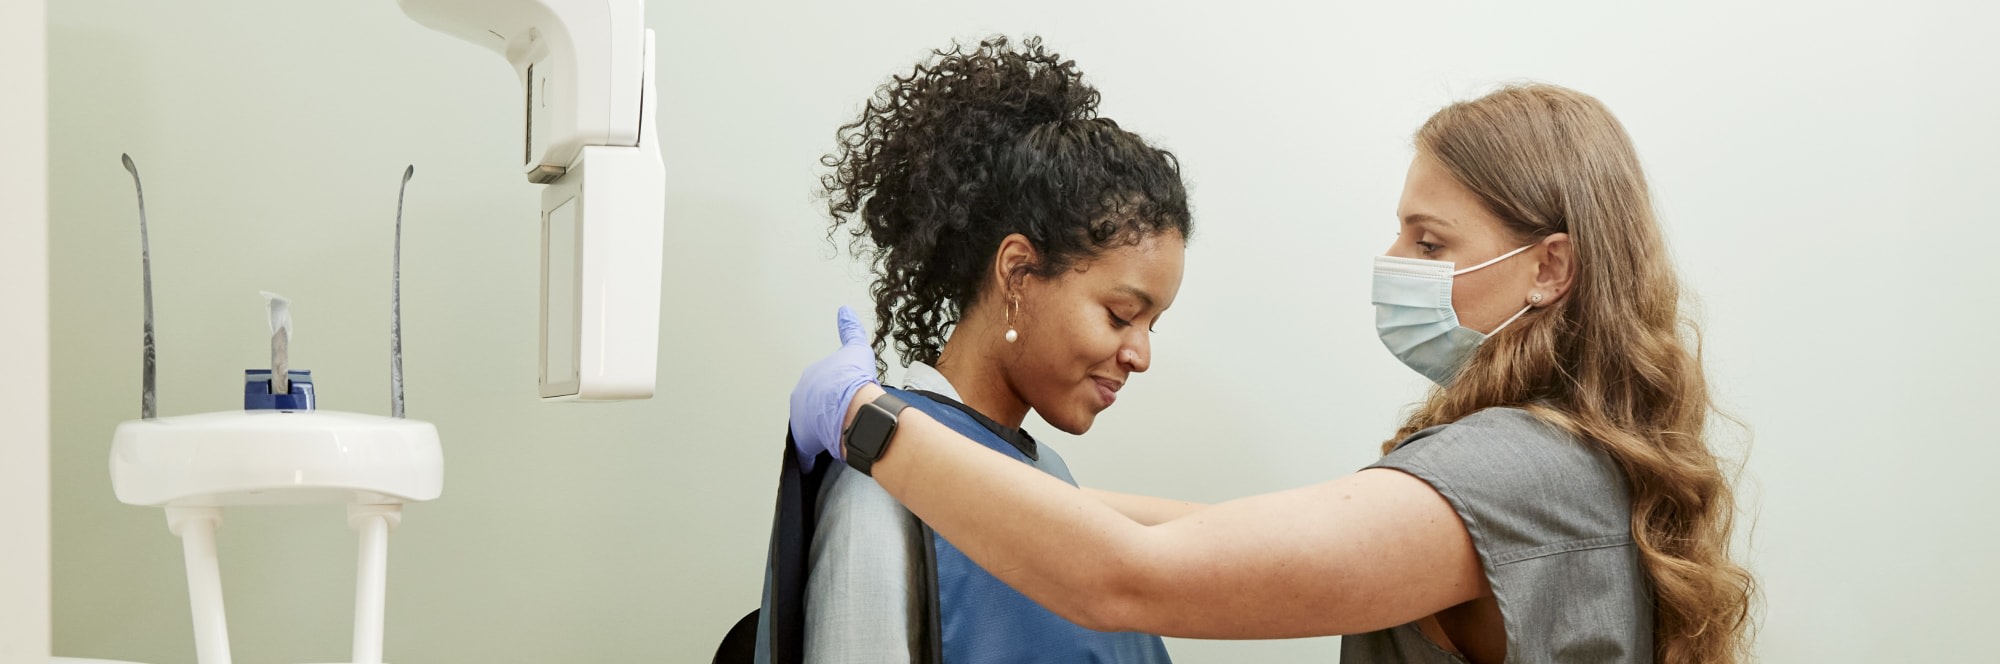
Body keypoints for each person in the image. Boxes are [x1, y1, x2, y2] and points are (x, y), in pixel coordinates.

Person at [788, 84, 1756, 663]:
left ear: (1548, 267)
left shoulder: (1518, 472)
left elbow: (1132, 575)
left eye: (1428, 238)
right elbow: (1204, 532)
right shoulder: (1561, 466)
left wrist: (867, 421)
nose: (1391, 260)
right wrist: (1003, 469)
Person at [752, 36, 1192, 664]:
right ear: (1017, 273)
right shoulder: (887, 480)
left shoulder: (1047, 479)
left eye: (1153, 324)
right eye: (1122, 315)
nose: (1140, 355)